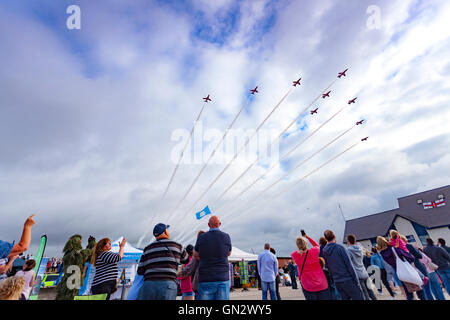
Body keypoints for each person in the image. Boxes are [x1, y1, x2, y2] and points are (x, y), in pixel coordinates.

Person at [137, 223, 188, 300]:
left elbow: (140, 271)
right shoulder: (177, 246)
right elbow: (186, 260)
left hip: (149, 285)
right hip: (168, 284)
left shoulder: (147, 249)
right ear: (165, 232)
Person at [194, 216, 232, 300]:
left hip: (206, 278)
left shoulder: (201, 237)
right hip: (222, 277)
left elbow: (195, 254)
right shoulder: (226, 237)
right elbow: (229, 253)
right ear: (220, 224)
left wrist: (204, 259)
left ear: (208, 225)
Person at [322, 230, 363, 300]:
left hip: (337, 281)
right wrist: (356, 280)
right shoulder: (340, 248)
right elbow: (349, 265)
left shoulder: (324, 251)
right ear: (334, 237)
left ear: (325, 239)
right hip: (348, 279)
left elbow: (328, 267)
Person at [376, 236, 420, 300]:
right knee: (412, 286)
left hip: (396, 270)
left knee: (403, 288)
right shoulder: (393, 248)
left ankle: (408, 298)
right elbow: (408, 256)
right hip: (403, 268)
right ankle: (415, 298)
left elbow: (388, 262)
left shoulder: (382, 253)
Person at [291, 233, 330, 300]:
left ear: (298, 245)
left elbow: (299, 252)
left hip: (307, 285)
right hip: (321, 283)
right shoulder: (314, 251)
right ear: (306, 244)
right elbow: (317, 245)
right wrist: (308, 237)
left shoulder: (295, 255)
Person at [346, 235, 377, 300]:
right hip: (364, 272)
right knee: (370, 292)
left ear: (348, 241)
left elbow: (349, 264)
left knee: (364, 293)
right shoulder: (360, 249)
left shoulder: (348, 251)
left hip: (357, 274)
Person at [177, 231, 204, 299]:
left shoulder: (190, 260)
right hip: (188, 287)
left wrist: (178, 275)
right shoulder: (191, 259)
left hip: (188, 287)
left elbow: (186, 273)